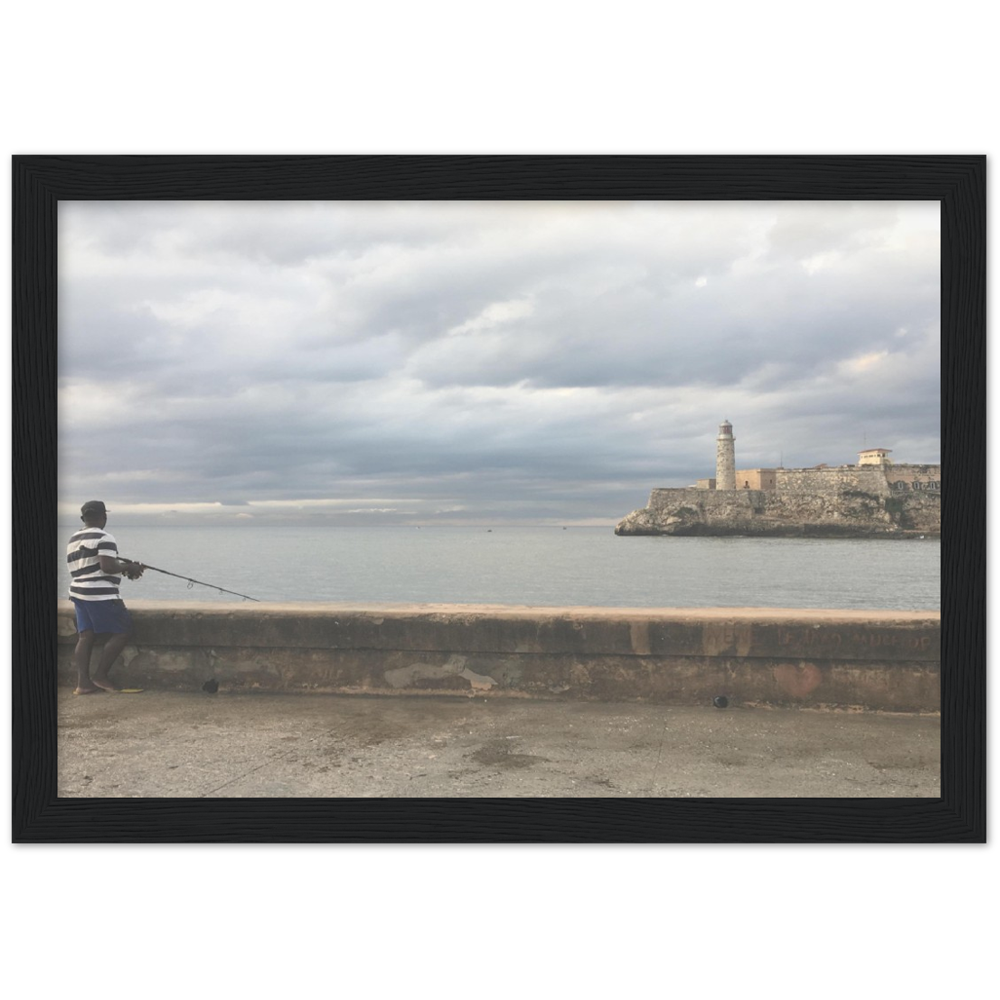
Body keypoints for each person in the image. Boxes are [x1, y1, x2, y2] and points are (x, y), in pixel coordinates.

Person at [66, 500, 145, 693]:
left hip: (78, 592)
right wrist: (129, 567)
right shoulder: (105, 537)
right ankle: (100, 676)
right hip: (99, 595)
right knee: (122, 631)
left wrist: (121, 567)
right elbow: (107, 567)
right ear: (104, 517)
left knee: (85, 636)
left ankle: (83, 683)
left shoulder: (73, 539)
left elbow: (92, 566)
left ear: (83, 518)